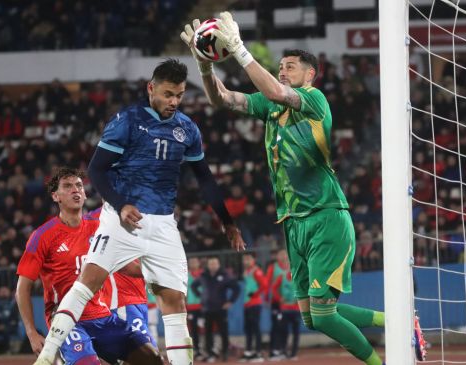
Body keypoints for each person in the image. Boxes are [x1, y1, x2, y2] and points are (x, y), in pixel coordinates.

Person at [181, 12, 427, 364]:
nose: (283, 71)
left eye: (291, 66)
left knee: (325, 315)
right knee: (312, 316)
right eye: (281, 66)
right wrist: (203, 66)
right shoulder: (270, 108)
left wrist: (237, 48)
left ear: (310, 74)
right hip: (293, 222)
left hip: (325, 216)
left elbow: (273, 90)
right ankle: (400, 323)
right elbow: (223, 99)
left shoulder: (314, 100)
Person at [34, 60, 245, 365]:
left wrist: (226, 220)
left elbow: (204, 177)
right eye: (168, 94)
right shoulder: (127, 121)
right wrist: (121, 204)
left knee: (174, 301)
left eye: (180, 95)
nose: (174, 101)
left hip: (162, 225)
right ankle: (47, 356)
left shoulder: (187, 129)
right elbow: (97, 169)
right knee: (87, 283)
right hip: (121, 221)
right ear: (151, 88)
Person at [16, 167, 163, 365]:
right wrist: (32, 333)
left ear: (85, 194)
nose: (75, 190)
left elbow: (126, 266)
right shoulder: (42, 236)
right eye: (67, 186)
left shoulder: (98, 228)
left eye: (78, 186)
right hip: (68, 322)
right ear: (55, 196)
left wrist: (158, 270)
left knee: (153, 360)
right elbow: (22, 289)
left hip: (104, 317)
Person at [191, 256, 240, 362]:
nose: (213, 265)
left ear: (218, 264)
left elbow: (236, 288)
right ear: (208, 265)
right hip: (207, 309)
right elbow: (193, 286)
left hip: (221, 309)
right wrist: (201, 296)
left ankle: (225, 352)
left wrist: (230, 301)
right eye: (211, 263)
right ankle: (210, 353)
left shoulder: (225, 276)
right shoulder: (203, 276)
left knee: (224, 332)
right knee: (208, 333)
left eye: (215, 263)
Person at [101, 262, 158, 348]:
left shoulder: (141, 250)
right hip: (123, 302)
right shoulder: (115, 250)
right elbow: (131, 269)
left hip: (140, 301)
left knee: (132, 348)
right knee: (147, 348)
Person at [240, 252, 267, 362]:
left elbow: (265, 285)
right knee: (248, 329)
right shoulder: (246, 272)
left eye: (248, 259)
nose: (246, 261)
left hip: (255, 304)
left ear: (253, 260)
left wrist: (255, 294)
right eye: (244, 259)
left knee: (255, 329)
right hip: (247, 304)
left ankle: (259, 353)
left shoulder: (257, 271)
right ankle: (249, 352)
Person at [0, 286, 19, 354]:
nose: (3, 293)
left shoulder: (13, 304)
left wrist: (6, 325)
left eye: (5, 291)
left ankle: (7, 350)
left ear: (9, 292)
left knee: (6, 330)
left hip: (10, 326)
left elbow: (15, 318)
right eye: (2, 292)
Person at [186, 257, 203, 359]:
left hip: (204, 306)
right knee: (194, 330)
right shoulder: (185, 274)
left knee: (205, 328)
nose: (193, 264)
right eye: (191, 262)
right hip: (191, 306)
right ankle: (197, 349)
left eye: (195, 261)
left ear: (199, 263)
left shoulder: (204, 274)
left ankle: (208, 348)